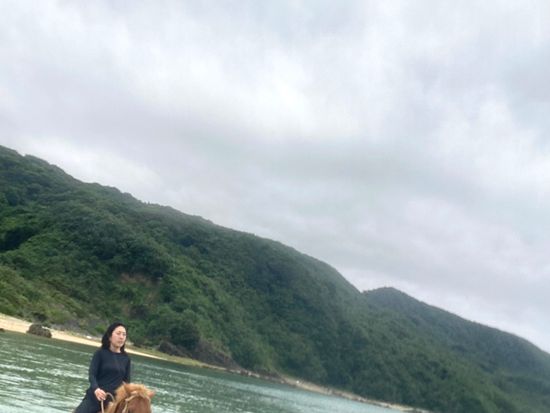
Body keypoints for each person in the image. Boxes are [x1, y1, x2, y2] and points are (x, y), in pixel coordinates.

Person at [74, 322, 131, 413]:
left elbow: (127, 382)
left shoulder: (126, 358)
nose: (121, 337)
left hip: (114, 401)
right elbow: (92, 375)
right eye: (118, 333)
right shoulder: (100, 353)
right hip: (95, 398)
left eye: (124, 334)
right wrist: (96, 389)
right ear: (110, 336)